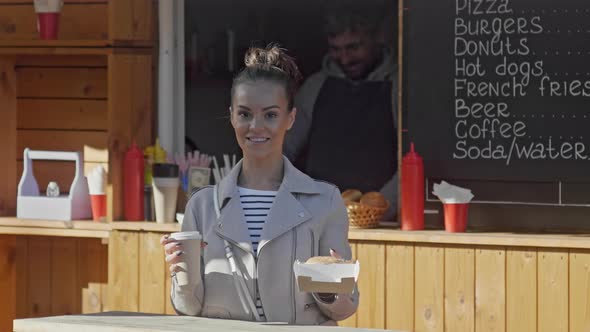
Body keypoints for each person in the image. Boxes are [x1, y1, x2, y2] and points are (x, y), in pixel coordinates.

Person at [161, 45, 359, 325]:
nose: (256, 126)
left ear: (290, 118)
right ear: (231, 116)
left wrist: (331, 287)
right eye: (244, 114)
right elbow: (189, 310)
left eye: (270, 115)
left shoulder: (324, 201)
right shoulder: (202, 206)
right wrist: (181, 274)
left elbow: (345, 308)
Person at [284, 8, 398, 219]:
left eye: (354, 47)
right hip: (318, 217)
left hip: (382, 222)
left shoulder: (399, 87)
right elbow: (284, 148)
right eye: (336, 49)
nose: (345, 59)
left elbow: (412, 163)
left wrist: (378, 208)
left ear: (377, 38)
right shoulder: (315, 87)